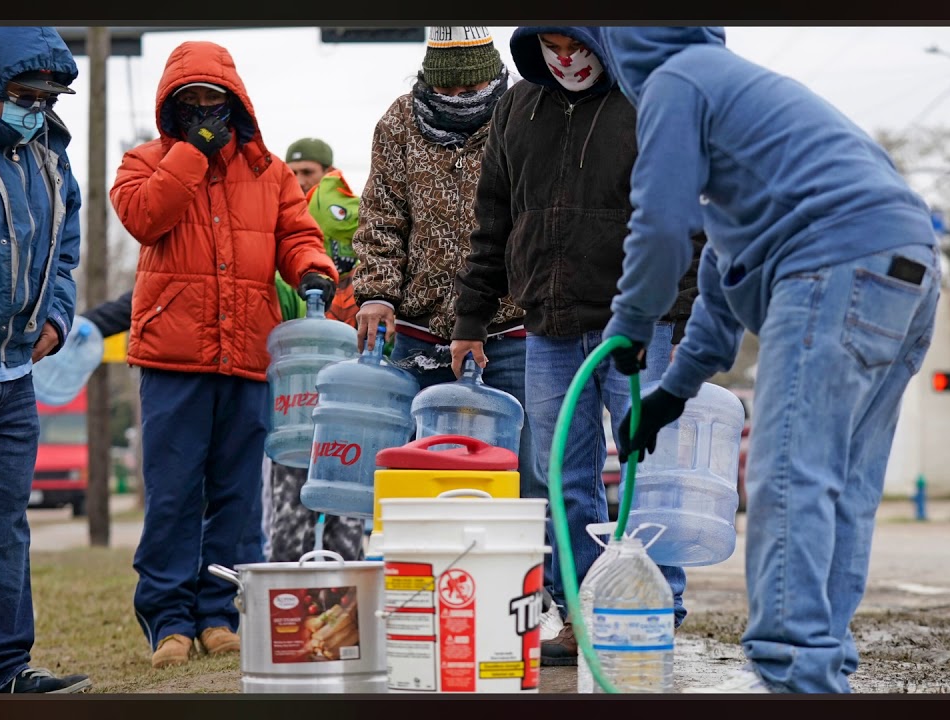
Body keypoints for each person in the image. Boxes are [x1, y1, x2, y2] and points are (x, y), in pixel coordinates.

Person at [598, 27, 942, 694]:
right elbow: (727, 267)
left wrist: (631, 324)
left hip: (834, 264)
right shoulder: (741, 93)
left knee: (790, 476)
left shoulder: (677, 82)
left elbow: (659, 228)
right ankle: (822, 662)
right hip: (907, 271)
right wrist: (674, 389)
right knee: (841, 487)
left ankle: (795, 678)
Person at [449, 26, 702, 667]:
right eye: (553, 47)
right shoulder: (517, 108)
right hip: (550, 323)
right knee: (563, 473)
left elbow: (683, 216)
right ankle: (584, 611)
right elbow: (493, 219)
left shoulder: (646, 99)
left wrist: (680, 314)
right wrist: (470, 318)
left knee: (650, 472)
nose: (567, 60)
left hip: (638, 323)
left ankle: (654, 608)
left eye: (577, 45)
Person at [110, 40, 339, 669]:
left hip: (246, 356)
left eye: (216, 101)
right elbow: (144, 217)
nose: (206, 112)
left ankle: (220, 611)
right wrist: (190, 154)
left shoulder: (269, 172)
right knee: (174, 494)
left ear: (238, 103)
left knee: (238, 495)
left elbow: (297, 234)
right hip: (172, 360)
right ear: (172, 109)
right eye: (192, 104)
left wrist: (313, 268)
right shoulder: (145, 162)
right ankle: (168, 621)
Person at [0, 26, 92, 694]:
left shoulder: (50, 156)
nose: (38, 106)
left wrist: (57, 318)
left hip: (14, 378)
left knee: (2, 532)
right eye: (25, 94)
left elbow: (65, 249)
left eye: (49, 96)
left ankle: (3, 671)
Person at [351, 28, 534, 487]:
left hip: (511, 334)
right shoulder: (398, 122)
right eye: (445, 90)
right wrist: (376, 293)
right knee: (420, 475)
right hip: (420, 334)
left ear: (492, 77)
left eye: (470, 90)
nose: (458, 99)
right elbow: (381, 214)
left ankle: (529, 560)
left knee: (525, 474)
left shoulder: (525, 116)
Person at [264, 138, 367, 563]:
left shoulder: (356, 235)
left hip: (350, 405)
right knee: (289, 513)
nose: (301, 181)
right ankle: (287, 603)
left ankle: (344, 606)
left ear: (327, 173)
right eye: (294, 174)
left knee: (346, 511)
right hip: (297, 403)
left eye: (308, 172)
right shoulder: (282, 238)